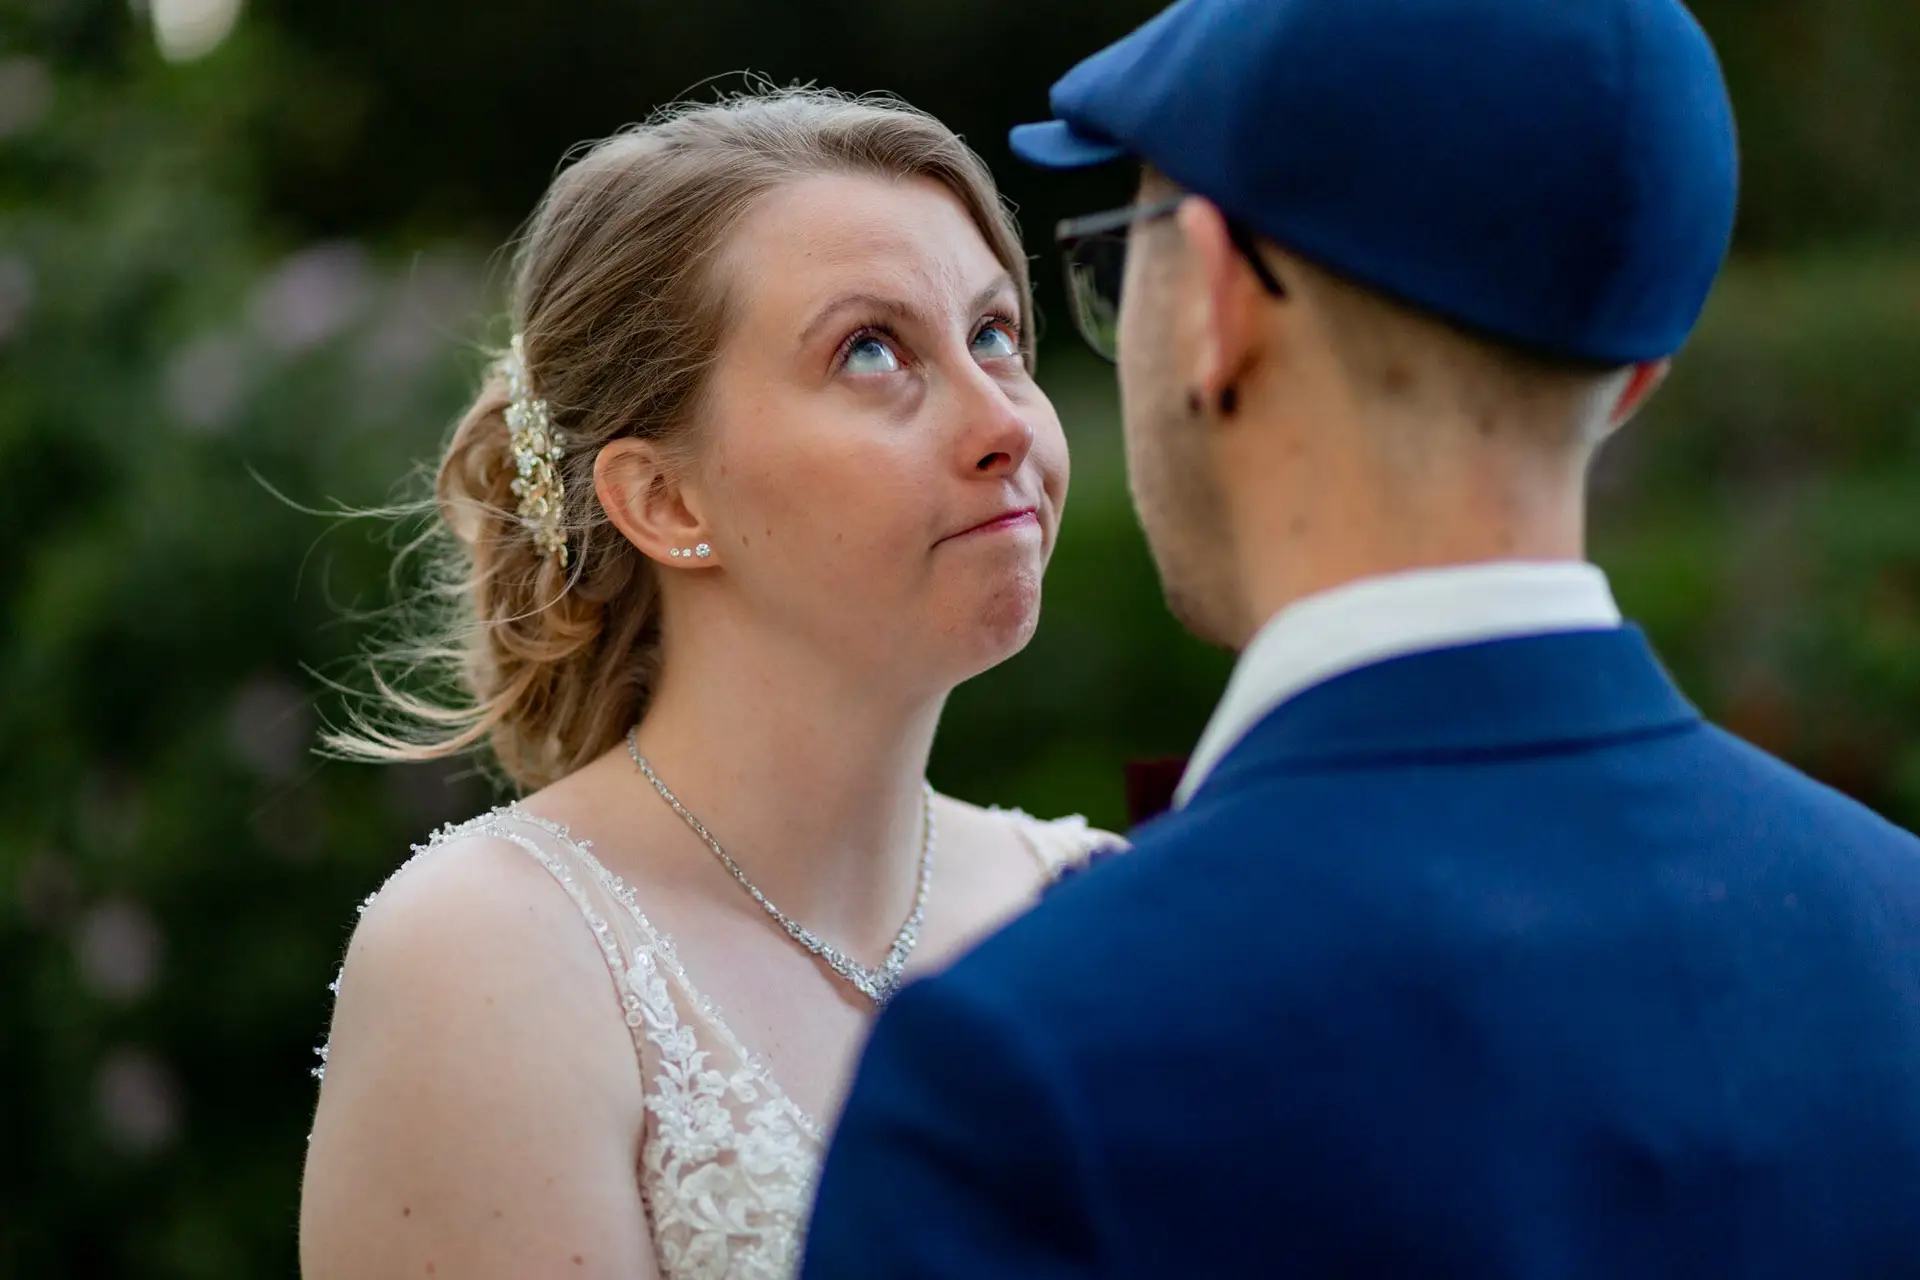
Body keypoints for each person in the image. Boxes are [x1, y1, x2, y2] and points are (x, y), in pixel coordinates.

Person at [805, 1, 1920, 1275]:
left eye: (1126, 258)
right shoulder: (1899, 935)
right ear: (1634, 379)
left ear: (1219, 299)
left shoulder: (1028, 1070)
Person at [298, 87, 1116, 1280]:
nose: (1004, 422)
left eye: (996, 334)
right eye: (872, 350)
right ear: (667, 501)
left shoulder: (1099, 903)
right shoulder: (490, 958)